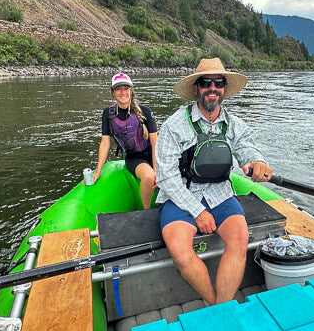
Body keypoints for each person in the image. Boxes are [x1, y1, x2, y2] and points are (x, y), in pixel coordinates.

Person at [155, 58, 273, 305]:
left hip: (220, 193)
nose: (212, 88)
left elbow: (248, 150)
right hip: (181, 196)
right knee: (179, 251)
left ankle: (223, 305)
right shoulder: (173, 125)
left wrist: (257, 163)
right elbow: (166, 176)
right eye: (206, 82)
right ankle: (215, 304)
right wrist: (197, 211)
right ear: (197, 88)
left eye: (218, 83)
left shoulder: (235, 125)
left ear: (224, 88)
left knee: (240, 238)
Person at [94, 73, 158, 209]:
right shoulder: (108, 114)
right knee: (148, 176)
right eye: (118, 89)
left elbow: (155, 143)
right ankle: (146, 210)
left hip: (154, 155)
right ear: (113, 93)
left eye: (126, 88)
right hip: (135, 158)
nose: (123, 92)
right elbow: (105, 143)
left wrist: (158, 169)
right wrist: (98, 171)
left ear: (131, 91)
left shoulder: (145, 111)